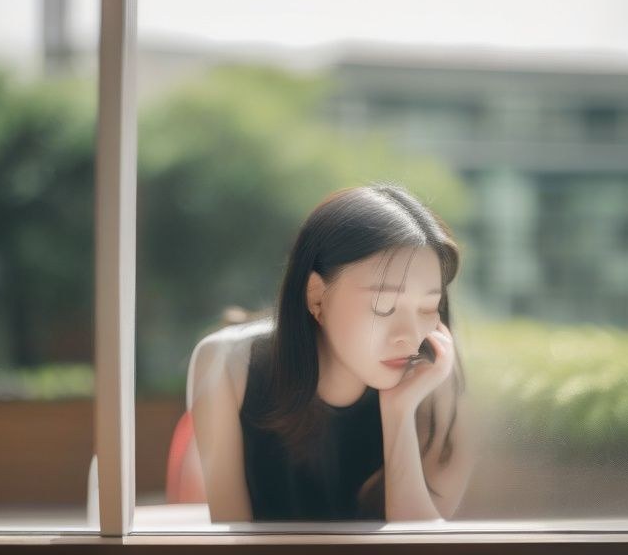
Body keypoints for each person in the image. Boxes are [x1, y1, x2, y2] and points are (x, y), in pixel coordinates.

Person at [186, 182, 480, 523]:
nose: (410, 337)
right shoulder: (229, 364)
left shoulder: (441, 387)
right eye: (384, 307)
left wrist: (399, 414)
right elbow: (230, 539)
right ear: (316, 296)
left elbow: (421, 548)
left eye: (429, 307)